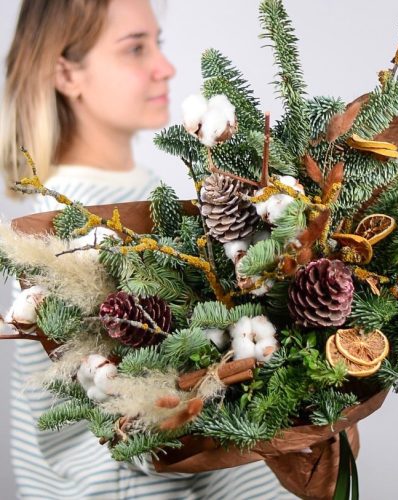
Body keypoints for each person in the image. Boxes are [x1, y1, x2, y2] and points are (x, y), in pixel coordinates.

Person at [0, 1, 295, 498]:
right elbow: (135, 425)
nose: (166, 67)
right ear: (67, 74)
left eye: (156, 43)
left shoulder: (140, 192)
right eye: (135, 48)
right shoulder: (70, 232)